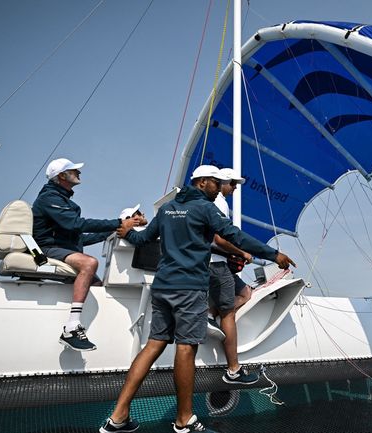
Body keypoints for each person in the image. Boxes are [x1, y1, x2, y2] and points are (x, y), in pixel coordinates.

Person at [100, 165, 295, 433]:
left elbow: (144, 238)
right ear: (202, 182)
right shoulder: (205, 209)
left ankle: (118, 418)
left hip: (163, 287)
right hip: (189, 288)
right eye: (216, 182)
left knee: (153, 345)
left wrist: (127, 233)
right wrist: (274, 255)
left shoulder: (166, 209)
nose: (219, 187)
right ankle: (184, 421)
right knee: (185, 348)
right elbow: (234, 236)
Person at [32, 158, 142, 352]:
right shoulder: (50, 198)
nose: (78, 173)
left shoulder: (61, 199)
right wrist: (117, 223)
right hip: (47, 248)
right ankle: (71, 329)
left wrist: (116, 230)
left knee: (98, 287)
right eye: (74, 171)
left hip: (61, 248)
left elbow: (79, 238)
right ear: (61, 176)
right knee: (89, 263)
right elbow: (77, 225)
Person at [206, 168, 259, 385]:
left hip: (214, 264)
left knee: (246, 292)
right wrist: (241, 252)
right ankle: (233, 370)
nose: (235, 188)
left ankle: (212, 314)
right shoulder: (219, 202)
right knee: (229, 316)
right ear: (223, 182)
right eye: (233, 184)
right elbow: (218, 239)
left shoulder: (209, 202)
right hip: (215, 264)